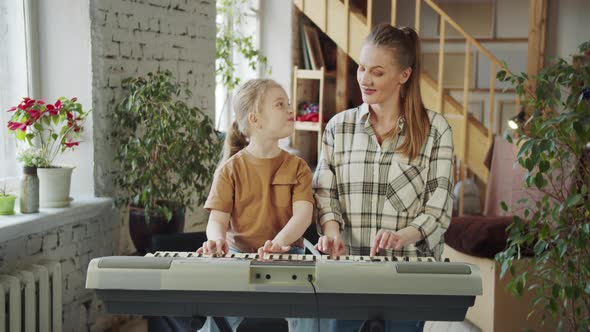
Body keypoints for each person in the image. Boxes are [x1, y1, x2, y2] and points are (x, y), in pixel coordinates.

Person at [313, 23, 455, 332]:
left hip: (408, 275)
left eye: (377, 72)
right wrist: (332, 231)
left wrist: (403, 235)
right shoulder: (338, 128)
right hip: (346, 274)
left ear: (404, 75)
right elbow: (325, 192)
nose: (364, 79)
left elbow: (440, 207)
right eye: (362, 68)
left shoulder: (436, 130)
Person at [197, 78, 314, 332]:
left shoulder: (299, 167)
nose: (290, 110)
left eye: (289, 104)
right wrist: (215, 240)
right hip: (239, 259)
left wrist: (279, 243)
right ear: (255, 120)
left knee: (311, 316)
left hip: (289, 259)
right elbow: (217, 220)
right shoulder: (230, 170)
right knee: (215, 323)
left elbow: (303, 216)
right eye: (280, 105)